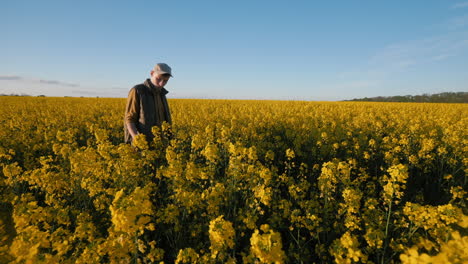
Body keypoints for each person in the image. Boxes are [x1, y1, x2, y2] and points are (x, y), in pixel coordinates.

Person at [124, 63, 173, 144]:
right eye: (158, 79)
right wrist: (138, 140)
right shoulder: (138, 90)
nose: (161, 83)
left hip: (160, 144)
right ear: (152, 73)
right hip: (143, 144)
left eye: (165, 81)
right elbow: (129, 119)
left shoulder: (162, 93)